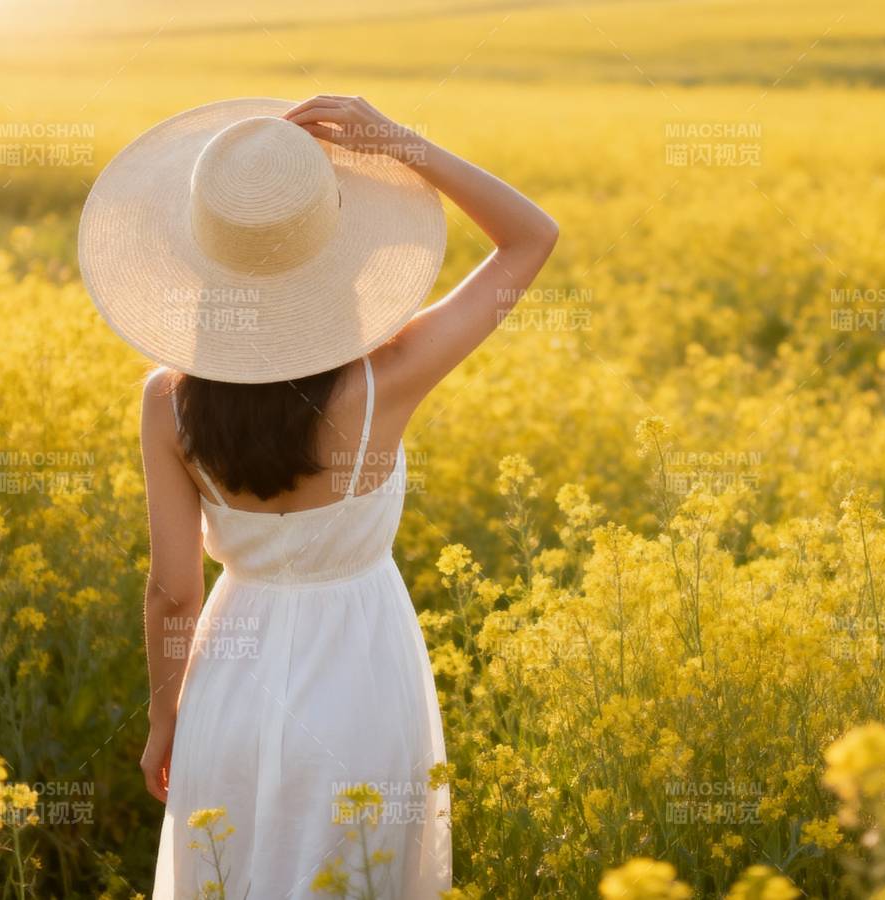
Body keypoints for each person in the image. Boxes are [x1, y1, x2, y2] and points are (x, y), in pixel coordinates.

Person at [78, 93, 558, 898]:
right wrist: (401, 143)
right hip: (364, 678)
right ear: (330, 248)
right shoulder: (390, 376)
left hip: (229, 688)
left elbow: (173, 592)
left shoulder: (168, 399)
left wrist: (165, 721)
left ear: (206, 262)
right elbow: (530, 237)